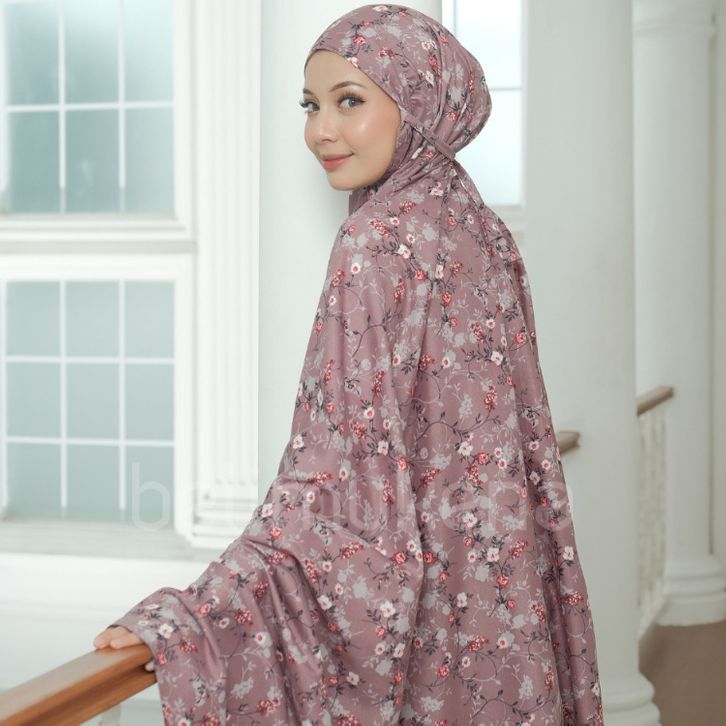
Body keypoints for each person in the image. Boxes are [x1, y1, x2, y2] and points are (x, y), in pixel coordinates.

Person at [93, 4, 604, 724]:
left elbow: (330, 475)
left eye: (350, 101)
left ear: (421, 103)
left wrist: (198, 615)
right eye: (310, 105)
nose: (320, 131)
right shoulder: (481, 228)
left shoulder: (373, 243)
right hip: (501, 594)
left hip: (433, 617)